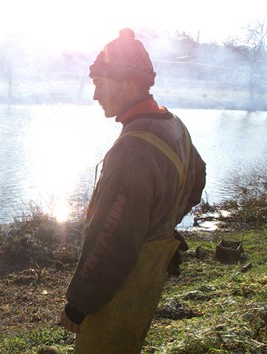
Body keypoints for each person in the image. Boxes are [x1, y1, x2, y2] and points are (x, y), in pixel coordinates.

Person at [60, 28, 206, 353]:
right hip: (148, 280)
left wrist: (79, 304)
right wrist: (164, 223)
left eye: (100, 84)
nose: (95, 95)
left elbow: (112, 239)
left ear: (128, 83)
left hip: (117, 287)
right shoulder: (172, 124)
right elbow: (197, 178)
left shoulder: (132, 152)